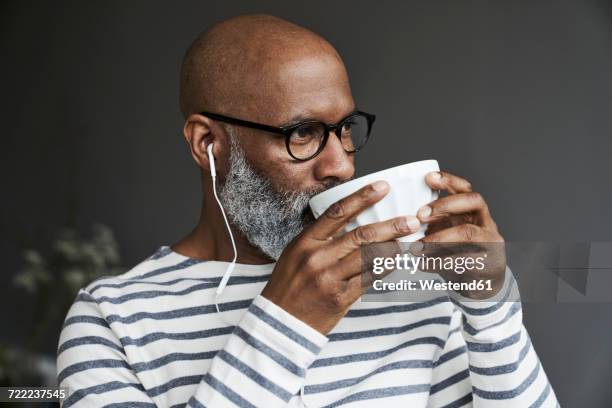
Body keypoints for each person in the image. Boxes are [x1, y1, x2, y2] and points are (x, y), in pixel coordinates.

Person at [57, 14, 559, 407]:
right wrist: (285, 321)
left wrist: (491, 309)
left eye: (345, 128)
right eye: (302, 133)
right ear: (208, 142)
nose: (340, 165)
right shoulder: (110, 319)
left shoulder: (413, 287)